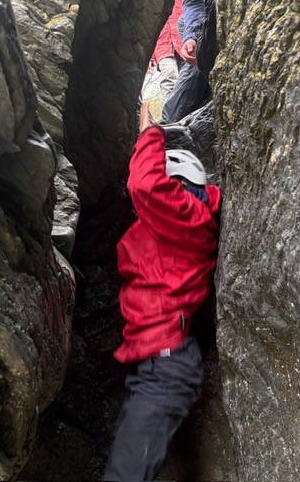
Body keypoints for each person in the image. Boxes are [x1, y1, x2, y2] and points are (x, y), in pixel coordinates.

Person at [103, 102, 221, 482]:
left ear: (179, 186)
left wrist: (149, 133)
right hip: (159, 361)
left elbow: (144, 184)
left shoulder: (184, 217)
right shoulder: (178, 227)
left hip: (166, 364)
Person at [161, 0, 211, 123]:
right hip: (202, 20)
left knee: (187, 27)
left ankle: (170, 120)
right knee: (185, 26)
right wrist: (191, 38)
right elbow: (192, 1)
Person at [150, 0, 184, 100]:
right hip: (162, 45)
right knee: (169, 73)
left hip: (182, 39)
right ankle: (169, 109)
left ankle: (186, 108)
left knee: (185, 78)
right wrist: (150, 57)